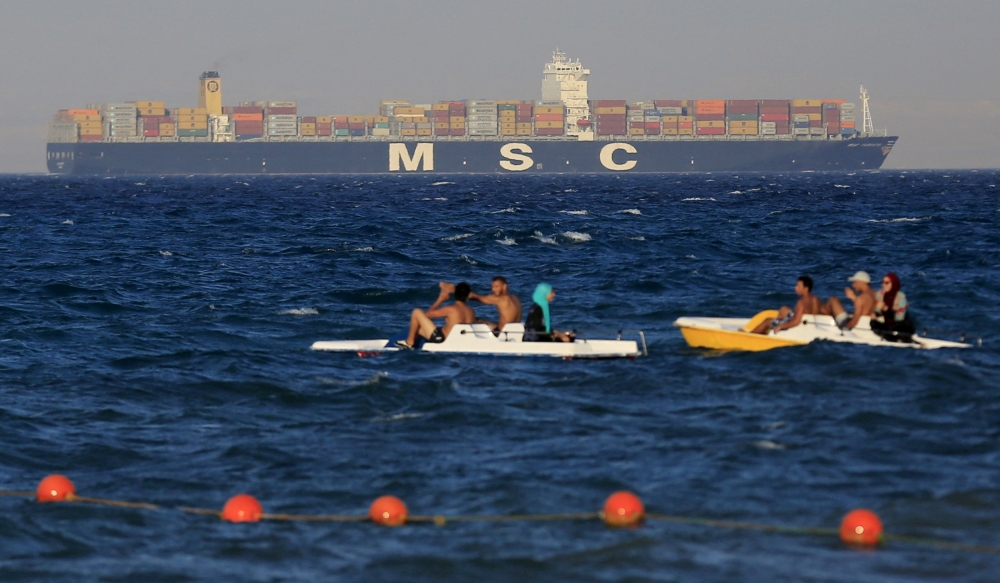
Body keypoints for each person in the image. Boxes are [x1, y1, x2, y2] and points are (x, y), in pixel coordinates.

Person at [396, 282, 475, 349]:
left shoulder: (451, 309)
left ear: (455, 294)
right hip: (460, 342)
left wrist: (441, 299)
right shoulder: (471, 311)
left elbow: (429, 314)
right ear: (468, 296)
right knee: (417, 326)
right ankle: (414, 342)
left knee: (417, 312)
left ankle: (409, 342)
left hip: (442, 341)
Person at [752, 275, 822, 334]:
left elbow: (796, 322)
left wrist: (781, 326)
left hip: (796, 323)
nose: (795, 288)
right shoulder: (815, 299)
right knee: (783, 309)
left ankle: (751, 334)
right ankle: (774, 329)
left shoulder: (801, 302)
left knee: (767, 320)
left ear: (806, 288)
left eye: (798, 286)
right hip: (804, 320)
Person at [871, 272, 914, 338]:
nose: (883, 285)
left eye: (887, 283)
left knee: (901, 325)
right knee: (873, 323)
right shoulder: (880, 294)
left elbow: (899, 317)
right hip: (886, 323)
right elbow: (876, 311)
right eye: (883, 282)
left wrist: (886, 309)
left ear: (893, 283)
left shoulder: (901, 297)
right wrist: (874, 314)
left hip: (898, 323)